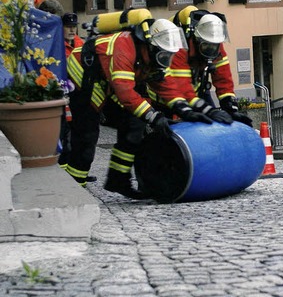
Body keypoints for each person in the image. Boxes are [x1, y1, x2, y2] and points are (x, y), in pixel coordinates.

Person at [65, 18, 213, 199]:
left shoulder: (154, 54)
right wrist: (154, 116)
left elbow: (166, 86)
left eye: (170, 55)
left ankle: (118, 180)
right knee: (86, 134)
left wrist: (185, 110)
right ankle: (74, 190)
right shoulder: (124, 48)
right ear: (151, 46)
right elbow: (125, 92)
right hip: (83, 75)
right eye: (165, 55)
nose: (167, 59)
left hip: (108, 80)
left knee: (135, 125)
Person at [167, 6, 253, 127]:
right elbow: (182, 87)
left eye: (214, 46)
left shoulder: (215, 43)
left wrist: (230, 108)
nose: (210, 49)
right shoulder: (179, 47)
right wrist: (208, 110)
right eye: (206, 45)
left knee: (215, 125)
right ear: (197, 40)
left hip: (197, 92)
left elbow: (224, 78)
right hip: (166, 99)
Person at [57, 12, 85, 173]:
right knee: (64, 134)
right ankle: (63, 169)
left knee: (78, 134)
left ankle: (76, 168)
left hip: (79, 95)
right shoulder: (58, 45)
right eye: (68, 27)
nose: (72, 30)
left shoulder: (80, 44)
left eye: (74, 27)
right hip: (65, 94)